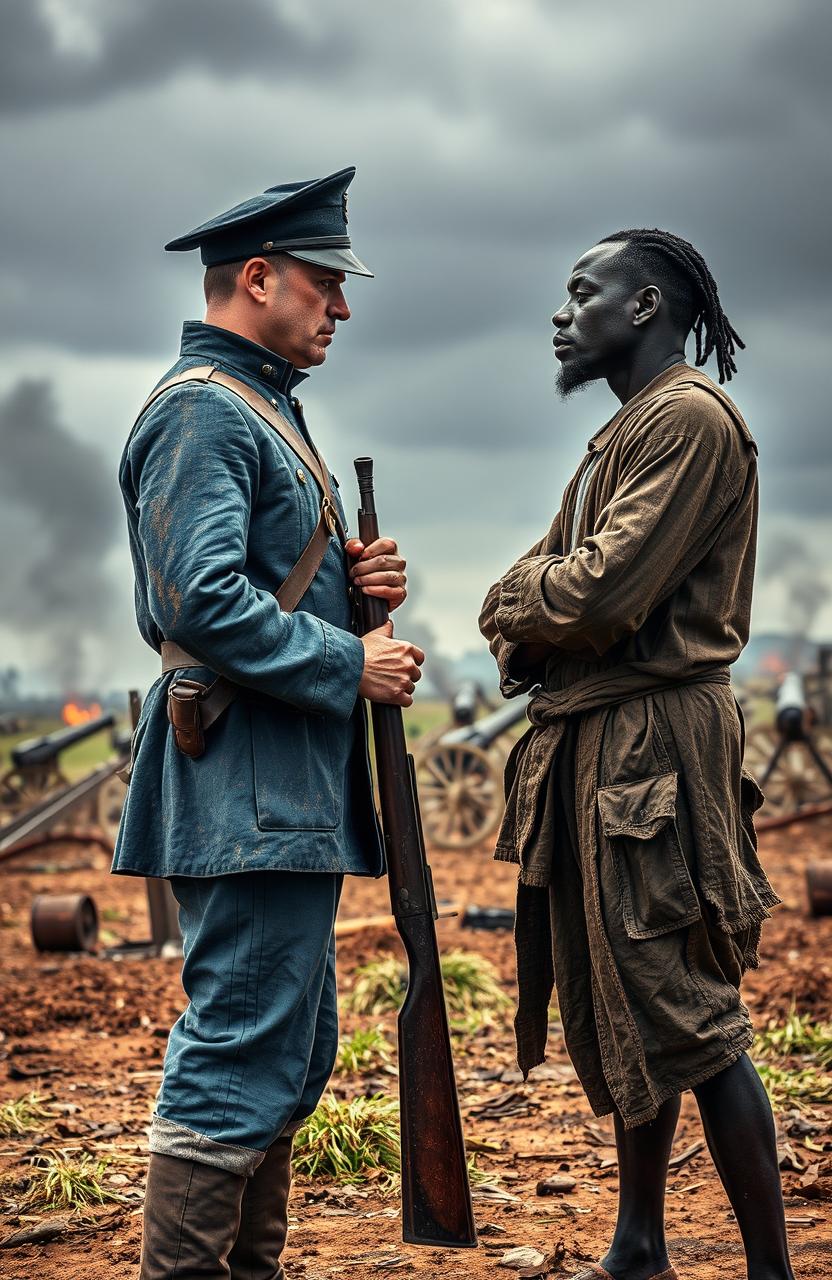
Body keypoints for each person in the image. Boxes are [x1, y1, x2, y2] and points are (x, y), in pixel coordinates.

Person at [114, 167, 424, 1279]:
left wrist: (351, 582)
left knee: (289, 1055)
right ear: (258, 278)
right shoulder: (204, 407)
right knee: (243, 1045)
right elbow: (199, 601)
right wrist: (351, 657)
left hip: (280, 784)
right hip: (245, 783)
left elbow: (250, 583)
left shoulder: (260, 408)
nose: (339, 307)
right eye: (325, 283)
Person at [479, 229, 795, 1280]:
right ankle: (637, 1242)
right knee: (622, 993)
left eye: (583, 291)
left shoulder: (688, 422)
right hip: (609, 742)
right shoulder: (627, 430)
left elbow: (595, 591)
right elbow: (546, 583)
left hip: (653, 745)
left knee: (687, 1004)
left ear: (646, 303)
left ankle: (770, 1270)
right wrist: (532, 604)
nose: (562, 314)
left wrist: (525, 605)